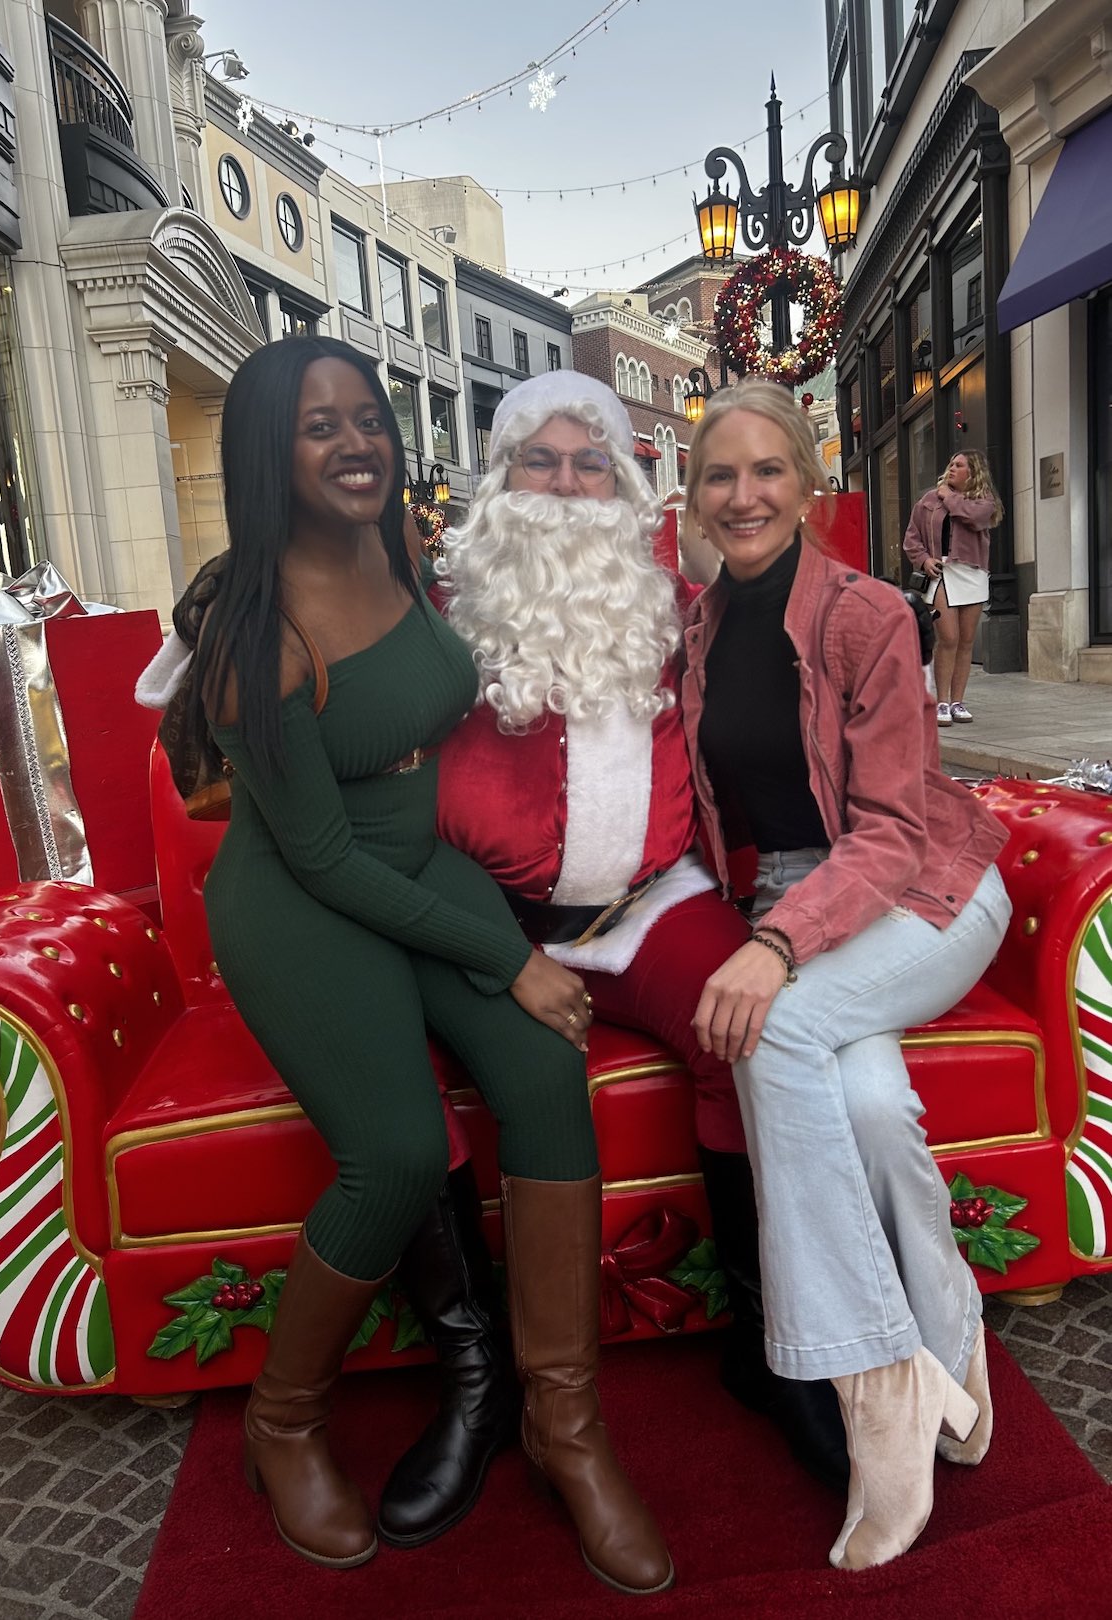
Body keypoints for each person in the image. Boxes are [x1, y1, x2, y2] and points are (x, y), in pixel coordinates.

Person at [186, 335, 672, 1595]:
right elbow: (328, 861)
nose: (354, 444)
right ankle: (282, 1420)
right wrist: (504, 959)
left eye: (366, 419)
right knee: (396, 1153)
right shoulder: (254, 629)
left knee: (545, 1076)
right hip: (308, 898)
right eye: (317, 427)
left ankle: (566, 1430)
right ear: (265, 454)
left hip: (419, 858)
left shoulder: (399, 551)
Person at [396, 369, 846, 1542]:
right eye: (537, 463)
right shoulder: (440, 613)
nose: (562, 486)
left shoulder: (669, 593)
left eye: (587, 463)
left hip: (649, 903)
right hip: (490, 922)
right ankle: (480, 1375)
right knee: (401, 1076)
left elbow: (801, 601)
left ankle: (769, 1343)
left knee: (744, 1033)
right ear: (497, 483)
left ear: (625, 483)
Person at [679, 378, 1012, 1571]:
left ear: (809, 487)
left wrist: (771, 949)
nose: (743, 493)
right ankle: (947, 1336)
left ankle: (876, 1394)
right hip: (802, 905)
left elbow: (882, 834)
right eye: (719, 474)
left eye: (767, 470)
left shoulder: (869, 615)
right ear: (693, 496)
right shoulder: (697, 630)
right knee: (865, 1103)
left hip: (925, 887)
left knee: (768, 1034)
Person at [902, 450, 1003, 727]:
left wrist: (949, 495)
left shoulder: (983, 501)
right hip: (941, 574)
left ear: (973, 472)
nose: (952, 468)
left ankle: (958, 702)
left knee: (967, 640)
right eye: (951, 463)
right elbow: (911, 539)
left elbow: (975, 518)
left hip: (972, 573)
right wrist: (924, 560)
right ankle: (942, 702)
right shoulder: (928, 501)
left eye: (959, 465)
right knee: (948, 638)